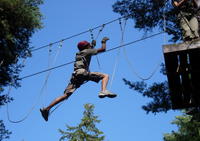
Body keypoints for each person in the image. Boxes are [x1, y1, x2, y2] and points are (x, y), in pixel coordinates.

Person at [40, 37, 117, 121]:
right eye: (89, 45)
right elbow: (103, 49)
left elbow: (89, 48)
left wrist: (92, 44)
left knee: (66, 95)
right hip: (83, 73)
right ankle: (103, 90)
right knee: (105, 76)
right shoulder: (87, 51)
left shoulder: (80, 53)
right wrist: (103, 42)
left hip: (75, 75)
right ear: (87, 46)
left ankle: (46, 109)